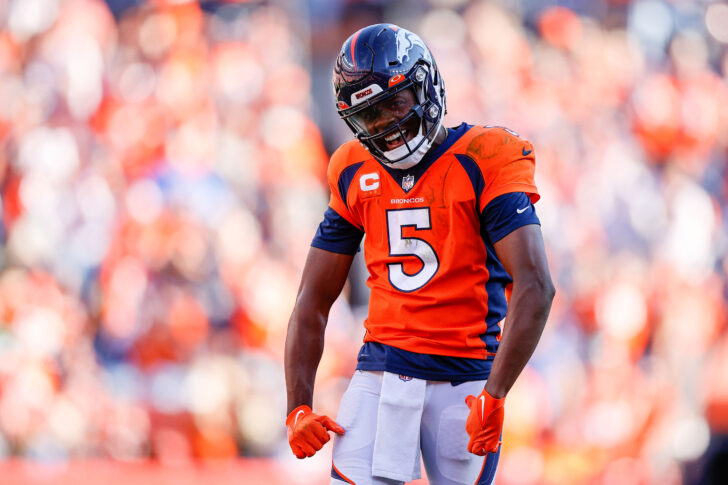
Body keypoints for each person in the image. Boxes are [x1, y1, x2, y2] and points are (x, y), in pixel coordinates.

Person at [284, 23, 555, 485]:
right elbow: (312, 298)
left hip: (465, 380)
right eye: (370, 116)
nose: (386, 126)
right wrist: (297, 407)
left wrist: (497, 392)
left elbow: (537, 285)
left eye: (394, 102)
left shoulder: (487, 155)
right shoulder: (352, 169)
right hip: (381, 373)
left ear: (426, 84)